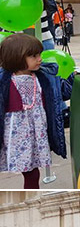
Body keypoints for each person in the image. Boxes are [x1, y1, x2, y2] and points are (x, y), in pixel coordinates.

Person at [0, 33, 72, 189]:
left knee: (32, 171)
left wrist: (75, 77)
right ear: (16, 57)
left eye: (39, 54)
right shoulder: (3, 82)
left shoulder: (44, 78)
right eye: (34, 56)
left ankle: (32, 190)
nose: (40, 58)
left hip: (35, 134)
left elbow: (63, 91)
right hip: (14, 136)